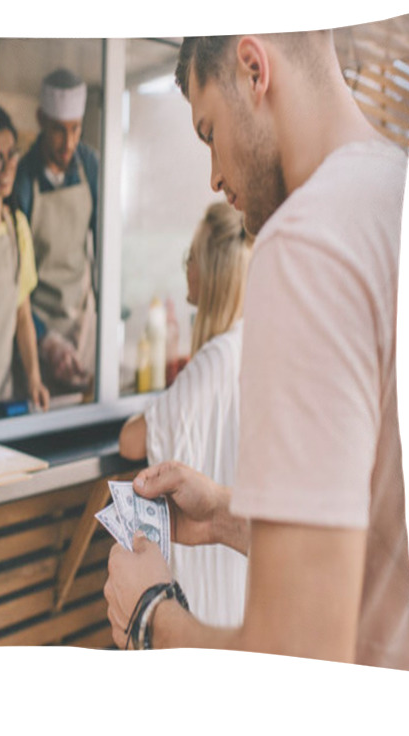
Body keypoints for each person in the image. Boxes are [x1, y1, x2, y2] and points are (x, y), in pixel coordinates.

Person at [104, 29, 409, 671]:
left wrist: (150, 614)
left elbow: (295, 659)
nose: (215, 175)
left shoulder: (305, 244)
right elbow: (386, 548)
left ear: (255, 70)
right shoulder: (404, 200)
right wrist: (225, 514)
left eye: (208, 132)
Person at [118, 201, 252, 627]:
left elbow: (133, 439)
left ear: (210, 269)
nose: (185, 268)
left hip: (208, 600)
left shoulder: (216, 358)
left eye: (190, 257)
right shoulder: (254, 341)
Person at [11, 68, 100, 395]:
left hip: (81, 325)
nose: (69, 143)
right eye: (59, 131)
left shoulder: (89, 165)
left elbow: (103, 253)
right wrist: (46, 341)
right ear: (40, 120)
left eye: (76, 130)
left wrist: (95, 322)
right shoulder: (22, 178)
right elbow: (14, 282)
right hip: (35, 333)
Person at [0, 105, 49, 417]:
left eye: (12, 154)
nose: (8, 166)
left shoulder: (17, 227)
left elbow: (22, 312)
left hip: (0, 395)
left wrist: (35, 379)